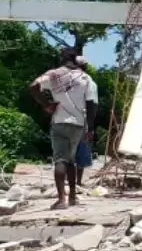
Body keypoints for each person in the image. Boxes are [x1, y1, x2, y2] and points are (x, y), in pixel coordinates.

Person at [29, 48, 98, 209]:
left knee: (60, 159)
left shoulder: (53, 74)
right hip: (78, 124)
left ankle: (62, 200)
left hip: (59, 122)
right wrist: (90, 127)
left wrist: (46, 105)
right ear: (75, 60)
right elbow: (91, 104)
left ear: (62, 58)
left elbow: (33, 86)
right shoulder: (85, 78)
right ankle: (73, 197)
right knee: (71, 161)